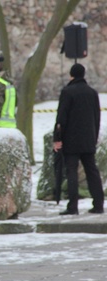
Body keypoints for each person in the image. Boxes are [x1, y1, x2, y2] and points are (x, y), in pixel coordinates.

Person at [53, 63, 104, 215]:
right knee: (92, 172)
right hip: (88, 139)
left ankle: (73, 206)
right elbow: (97, 117)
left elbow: (61, 118)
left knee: (71, 172)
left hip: (71, 140)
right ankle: (99, 204)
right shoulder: (92, 93)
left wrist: (57, 138)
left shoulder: (67, 92)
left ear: (71, 75)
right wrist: (94, 138)